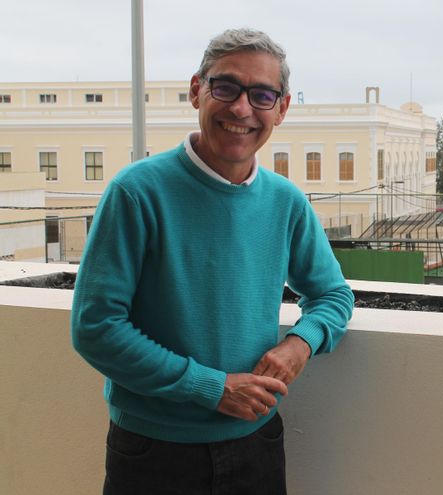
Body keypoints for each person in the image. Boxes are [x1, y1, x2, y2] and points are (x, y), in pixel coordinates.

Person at [71, 28, 354, 495]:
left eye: (262, 95)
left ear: (281, 110)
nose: (242, 108)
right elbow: (96, 327)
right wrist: (213, 388)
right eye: (226, 87)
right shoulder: (136, 192)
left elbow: (332, 296)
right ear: (196, 90)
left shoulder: (286, 202)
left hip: (257, 445)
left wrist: (299, 344)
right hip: (152, 452)